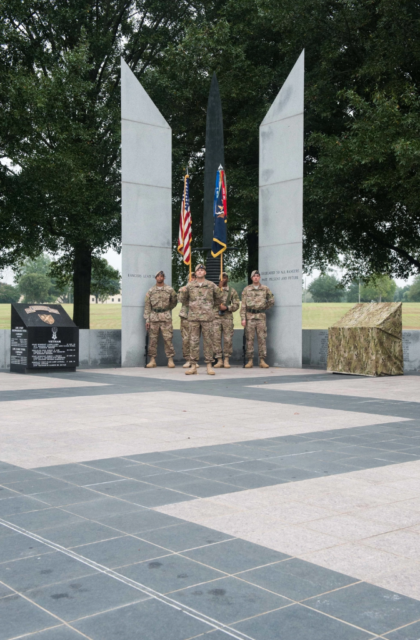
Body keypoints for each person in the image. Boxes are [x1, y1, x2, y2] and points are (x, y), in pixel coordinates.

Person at [179, 264, 223, 375]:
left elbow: (219, 298)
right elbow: (182, 300)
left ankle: (209, 366)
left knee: (208, 341)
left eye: (202, 270)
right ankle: (193, 366)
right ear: (195, 273)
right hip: (193, 318)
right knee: (193, 342)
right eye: (198, 270)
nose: (200, 271)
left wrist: (211, 308)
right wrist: (183, 291)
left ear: (205, 273)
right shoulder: (190, 286)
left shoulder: (211, 285)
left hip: (207, 318)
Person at [241, 270, 274, 368]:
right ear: (251, 278)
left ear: (259, 277)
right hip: (250, 317)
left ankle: (262, 360)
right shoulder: (247, 289)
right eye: (254, 276)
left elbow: (271, 300)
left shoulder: (265, 289)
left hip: (260, 317)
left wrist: (264, 307)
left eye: (257, 276)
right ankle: (250, 360)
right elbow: (243, 305)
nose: (256, 277)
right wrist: (243, 318)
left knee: (262, 338)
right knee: (249, 339)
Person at [144, 270, 177, 368]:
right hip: (153, 317)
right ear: (155, 278)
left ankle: (170, 360)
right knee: (153, 340)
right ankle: (152, 360)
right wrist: (147, 320)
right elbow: (147, 306)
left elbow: (174, 301)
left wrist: (167, 309)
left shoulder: (170, 290)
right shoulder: (150, 291)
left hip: (166, 317)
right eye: (158, 276)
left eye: (161, 276)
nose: (160, 278)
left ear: (164, 278)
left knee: (168, 339)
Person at [212, 272, 240, 368]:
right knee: (216, 339)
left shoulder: (232, 291)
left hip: (227, 318)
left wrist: (227, 308)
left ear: (227, 279)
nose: (223, 279)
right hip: (215, 318)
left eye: (225, 277)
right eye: (222, 277)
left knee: (228, 339)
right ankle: (219, 359)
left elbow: (236, 305)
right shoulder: (214, 290)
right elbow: (208, 302)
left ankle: (226, 359)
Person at [178, 272, 198, 369]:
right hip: (186, 316)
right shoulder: (183, 289)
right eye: (190, 278)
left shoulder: (200, 289)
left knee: (194, 339)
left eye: (194, 277)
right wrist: (185, 291)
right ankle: (187, 359)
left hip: (196, 316)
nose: (192, 279)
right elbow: (181, 300)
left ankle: (194, 360)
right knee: (186, 339)